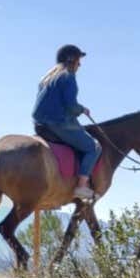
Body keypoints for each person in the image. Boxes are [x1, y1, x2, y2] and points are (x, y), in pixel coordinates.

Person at [32, 44, 101, 202]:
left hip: (39, 123)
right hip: (57, 123)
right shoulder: (68, 77)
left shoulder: (47, 78)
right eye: (78, 60)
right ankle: (81, 186)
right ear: (71, 60)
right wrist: (82, 109)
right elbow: (70, 106)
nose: (80, 64)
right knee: (94, 147)